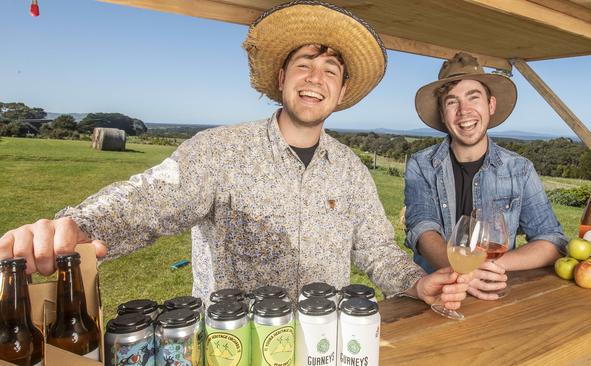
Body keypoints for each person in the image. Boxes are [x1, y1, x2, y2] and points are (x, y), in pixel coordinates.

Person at [0, 1, 470, 309]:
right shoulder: (220, 151)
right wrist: (76, 228)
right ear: (281, 78)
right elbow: (146, 203)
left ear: (342, 91)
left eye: (330, 70)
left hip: (326, 343)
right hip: (233, 346)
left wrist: (415, 282)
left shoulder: (349, 169)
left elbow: (376, 249)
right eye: (302, 64)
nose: (315, 77)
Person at [405, 52, 568, 300]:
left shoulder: (520, 169)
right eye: (452, 102)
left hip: (494, 296)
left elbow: (552, 241)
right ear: (442, 112)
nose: (464, 111)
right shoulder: (421, 165)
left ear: (490, 105)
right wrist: (462, 271)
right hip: (437, 297)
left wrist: (495, 265)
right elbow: (423, 230)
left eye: (474, 98)